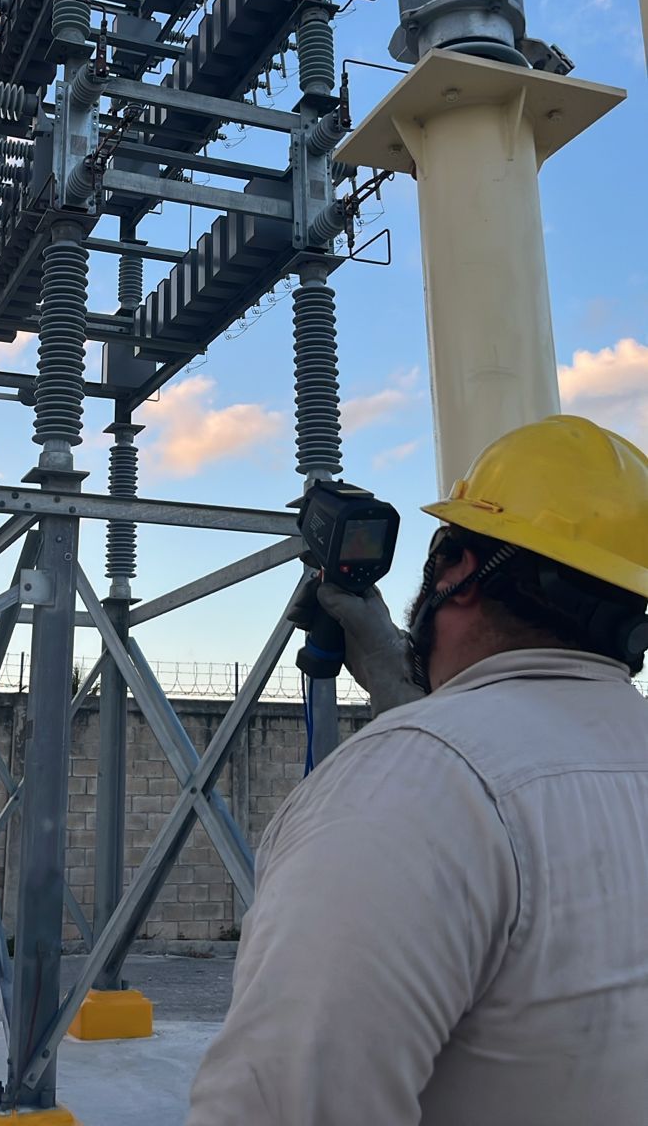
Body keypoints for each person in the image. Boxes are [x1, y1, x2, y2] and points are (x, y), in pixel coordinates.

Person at [185, 414, 648, 1126]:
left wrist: (423, 733)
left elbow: (281, 1105)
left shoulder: (404, 783)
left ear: (459, 572)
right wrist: (407, 693)